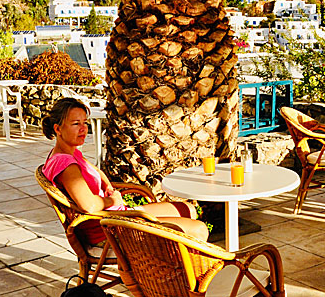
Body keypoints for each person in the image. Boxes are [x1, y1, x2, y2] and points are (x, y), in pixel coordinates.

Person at [41, 97, 209, 243]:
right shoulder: (66, 165)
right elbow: (90, 206)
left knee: (189, 210)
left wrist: (108, 188)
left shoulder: (70, 153)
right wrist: (112, 201)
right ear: (57, 128)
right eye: (76, 124)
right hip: (110, 229)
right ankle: (177, 274)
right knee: (199, 229)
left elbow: (98, 173)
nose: (84, 129)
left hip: (118, 215)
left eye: (85, 123)